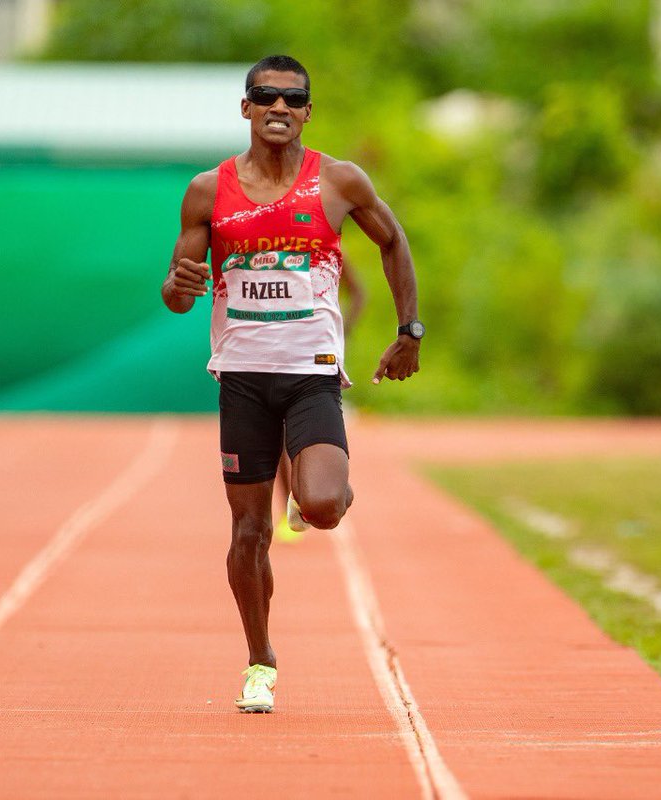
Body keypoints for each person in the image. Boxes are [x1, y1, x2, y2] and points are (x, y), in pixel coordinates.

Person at [161, 54, 424, 713]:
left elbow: (394, 241)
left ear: (307, 112)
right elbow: (176, 290)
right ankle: (260, 660)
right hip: (243, 381)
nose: (279, 108)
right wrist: (177, 287)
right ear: (245, 108)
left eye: (292, 99)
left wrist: (409, 330)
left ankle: (315, 493)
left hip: (311, 379)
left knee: (324, 508)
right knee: (248, 532)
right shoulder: (206, 191)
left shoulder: (338, 182)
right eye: (265, 97)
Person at [273, 253, 365, 543]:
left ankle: (319, 486)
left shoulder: (331, 252)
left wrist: (343, 329)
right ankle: (289, 504)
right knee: (277, 442)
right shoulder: (270, 254)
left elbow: (359, 293)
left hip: (316, 361)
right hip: (274, 357)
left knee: (299, 438)